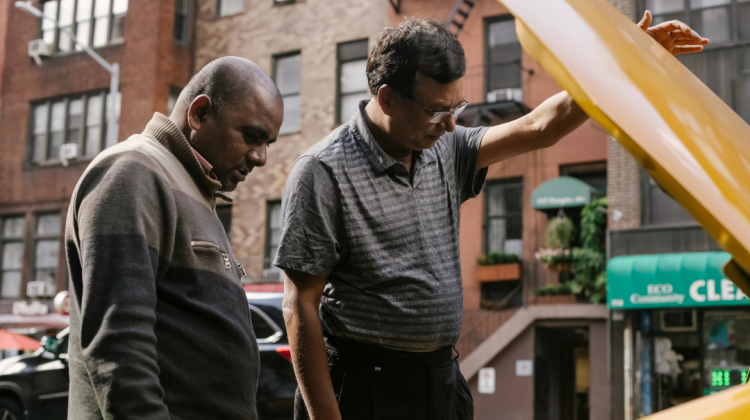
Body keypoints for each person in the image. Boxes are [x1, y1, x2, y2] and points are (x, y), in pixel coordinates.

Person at [275, 12, 708, 420]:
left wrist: (626, 64)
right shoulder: (322, 172)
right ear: (386, 98)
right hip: (364, 386)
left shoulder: (444, 146)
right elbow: (300, 307)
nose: (449, 126)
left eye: (456, 109)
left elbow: (541, 126)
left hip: (440, 377)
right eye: (434, 110)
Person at [65, 57, 283, 420]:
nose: (261, 157)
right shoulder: (132, 173)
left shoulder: (196, 191)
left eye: (268, 143)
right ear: (199, 114)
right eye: (252, 136)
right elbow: (119, 349)